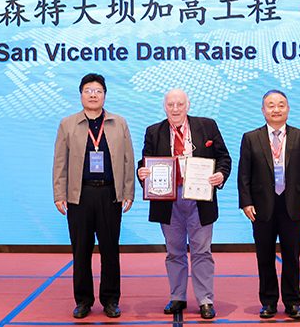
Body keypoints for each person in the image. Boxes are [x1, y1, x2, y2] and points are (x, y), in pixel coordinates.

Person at [137, 89, 231, 319]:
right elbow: (145, 161)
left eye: (180, 104)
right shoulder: (154, 131)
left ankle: (205, 300)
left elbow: (224, 158)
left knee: (201, 251)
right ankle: (177, 297)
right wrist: (142, 172)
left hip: (200, 199)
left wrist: (220, 175)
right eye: (171, 104)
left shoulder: (207, 126)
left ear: (188, 105)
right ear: (165, 107)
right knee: (174, 252)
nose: (176, 108)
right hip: (168, 201)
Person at [53, 73, 135, 319]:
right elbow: (60, 163)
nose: (93, 94)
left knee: (110, 249)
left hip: (110, 194)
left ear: (105, 95)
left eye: (98, 90)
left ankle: (111, 300)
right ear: (80, 95)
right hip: (80, 195)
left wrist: (128, 191)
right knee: (81, 251)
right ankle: (83, 301)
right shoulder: (67, 124)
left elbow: (128, 160)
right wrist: (59, 193)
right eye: (88, 90)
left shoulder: (119, 123)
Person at [237, 90, 300, 320]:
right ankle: (269, 302)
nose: (276, 109)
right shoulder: (251, 137)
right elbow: (244, 174)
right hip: (262, 206)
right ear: (263, 110)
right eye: (271, 105)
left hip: (292, 205)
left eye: (281, 105)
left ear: (288, 109)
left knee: (292, 256)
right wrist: (246, 202)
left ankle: (292, 302)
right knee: (265, 256)